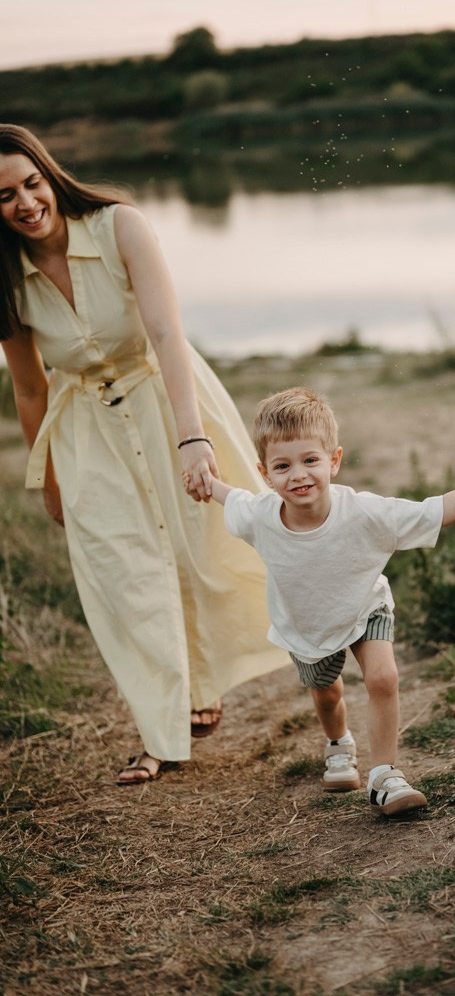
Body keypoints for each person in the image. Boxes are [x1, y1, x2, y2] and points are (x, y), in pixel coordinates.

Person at [0, 125, 286, 784]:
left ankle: (214, 680)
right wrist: (44, 476)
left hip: (164, 402)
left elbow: (165, 332)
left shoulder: (120, 226)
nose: (25, 203)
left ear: (51, 176)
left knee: (203, 546)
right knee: (123, 572)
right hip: (85, 433)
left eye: (32, 183)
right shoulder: (6, 283)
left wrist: (194, 439)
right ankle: (161, 733)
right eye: (5, 196)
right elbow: (28, 386)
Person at [192, 386, 455, 816]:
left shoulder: (364, 513)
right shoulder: (259, 516)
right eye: (283, 466)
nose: (298, 475)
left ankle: (385, 776)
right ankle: (339, 743)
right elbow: (231, 497)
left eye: (310, 460)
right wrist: (205, 482)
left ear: (334, 460)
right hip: (307, 625)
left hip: (366, 607)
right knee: (327, 694)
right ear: (265, 473)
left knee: (382, 678)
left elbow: (436, 511)